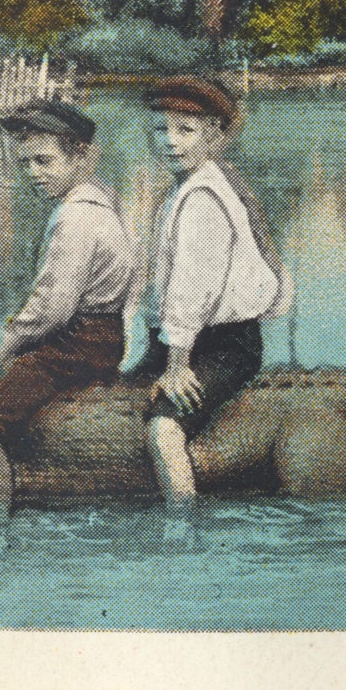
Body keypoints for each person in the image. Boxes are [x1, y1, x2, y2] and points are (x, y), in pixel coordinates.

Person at [0, 100, 138, 525]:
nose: (34, 173)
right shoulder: (103, 205)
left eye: (45, 160)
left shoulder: (73, 218)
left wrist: (8, 343)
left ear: (80, 156)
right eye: (25, 163)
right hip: (105, 337)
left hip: (74, 345)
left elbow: (52, 308)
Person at [133, 76, 291, 510]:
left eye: (185, 130)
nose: (170, 142)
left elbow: (191, 287)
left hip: (222, 346)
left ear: (216, 135)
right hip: (179, 339)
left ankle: (183, 523)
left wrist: (178, 364)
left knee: (163, 428)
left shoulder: (203, 196)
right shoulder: (183, 189)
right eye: (161, 130)